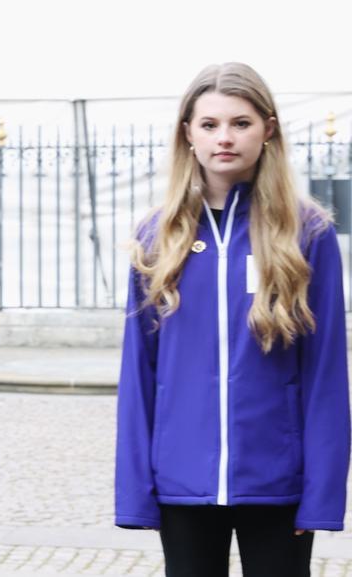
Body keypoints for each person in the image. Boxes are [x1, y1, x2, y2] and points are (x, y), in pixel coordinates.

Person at [115, 62, 350, 577]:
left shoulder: (306, 233)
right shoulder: (158, 236)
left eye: (240, 123)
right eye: (210, 124)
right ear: (188, 135)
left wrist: (322, 496)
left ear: (268, 130)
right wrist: (136, 491)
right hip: (180, 481)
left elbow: (326, 372)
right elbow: (139, 375)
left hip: (278, 482)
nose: (225, 138)